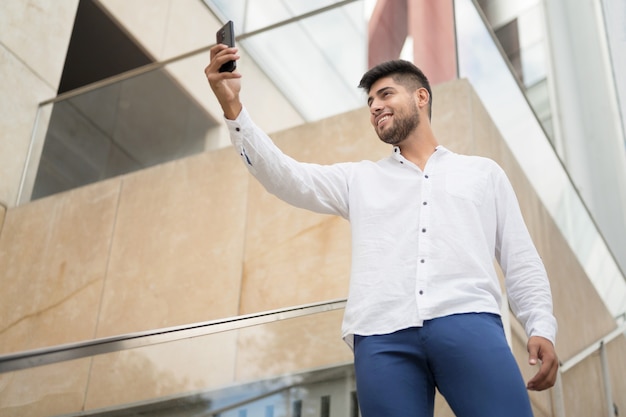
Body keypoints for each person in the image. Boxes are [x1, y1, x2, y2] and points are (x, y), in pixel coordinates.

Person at [205, 43, 559, 417]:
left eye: (385, 94)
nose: (374, 106)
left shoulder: (483, 174)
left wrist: (541, 326)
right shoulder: (359, 179)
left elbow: (521, 260)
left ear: (421, 96)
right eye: (370, 101)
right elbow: (284, 176)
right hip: (380, 337)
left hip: (469, 320)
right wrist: (232, 107)